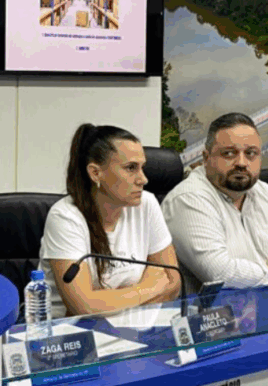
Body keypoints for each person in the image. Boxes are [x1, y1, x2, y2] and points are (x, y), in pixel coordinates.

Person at [38, 124, 181, 318]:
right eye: (131, 168)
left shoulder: (146, 203)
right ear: (96, 173)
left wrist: (108, 302)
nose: (143, 179)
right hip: (71, 336)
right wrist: (147, 287)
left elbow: (173, 282)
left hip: (136, 329)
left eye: (142, 168)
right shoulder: (65, 217)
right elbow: (83, 308)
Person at [161, 112, 268, 289]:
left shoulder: (265, 192)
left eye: (251, 153)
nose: (241, 162)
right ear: (206, 158)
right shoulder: (187, 199)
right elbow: (221, 274)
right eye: (229, 153)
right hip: (216, 312)